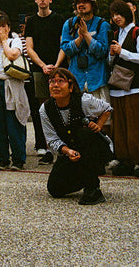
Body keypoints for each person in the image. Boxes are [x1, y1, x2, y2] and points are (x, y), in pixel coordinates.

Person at [40, 68, 112, 205]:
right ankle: (85, 177)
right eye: (52, 82)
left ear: (71, 86)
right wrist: (67, 151)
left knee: (84, 133)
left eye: (61, 81)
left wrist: (99, 125)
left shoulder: (83, 100)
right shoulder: (45, 109)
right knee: (55, 189)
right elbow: (51, 140)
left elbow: (107, 108)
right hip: (71, 152)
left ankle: (93, 188)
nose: (55, 85)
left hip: (94, 149)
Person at [108, 0, 139, 178]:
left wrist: (122, 52)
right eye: (113, 15)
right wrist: (112, 55)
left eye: (119, 13)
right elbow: (111, 61)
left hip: (135, 86)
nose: (116, 18)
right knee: (120, 127)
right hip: (118, 86)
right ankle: (125, 160)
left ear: (128, 13)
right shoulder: (115, 34)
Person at [24, 0, 65, 164]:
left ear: (50, 0)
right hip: (39, 70)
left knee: (62, 106)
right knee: (44, 109)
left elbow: (64, 44)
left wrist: (56, 66)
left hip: (59, 68)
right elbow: (29, 48)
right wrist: (42, 66)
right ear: (35, 0)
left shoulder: (58, 19)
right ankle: (48, 148)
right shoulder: (31, 22)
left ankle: (64, 148)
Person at [0, 13, 29, 170]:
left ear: (9, 27)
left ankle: (18, 159)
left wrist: (4, 41)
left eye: (3, 26)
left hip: (12, 84)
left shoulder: (15, 40)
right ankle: (1, 158)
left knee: (14, 122)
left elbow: (12, 55)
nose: (0, 29)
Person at [60, 0, 110, 101]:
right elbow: (66, 49)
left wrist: (87, 35)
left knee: (103, 116)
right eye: (78, 2)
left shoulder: (102, 24)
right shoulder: (69, 24)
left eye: (85, 2)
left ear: (93, 5)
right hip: (76, 79)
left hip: (97, 79)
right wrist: (79, 39)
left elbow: (102, 51)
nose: (81, 5)